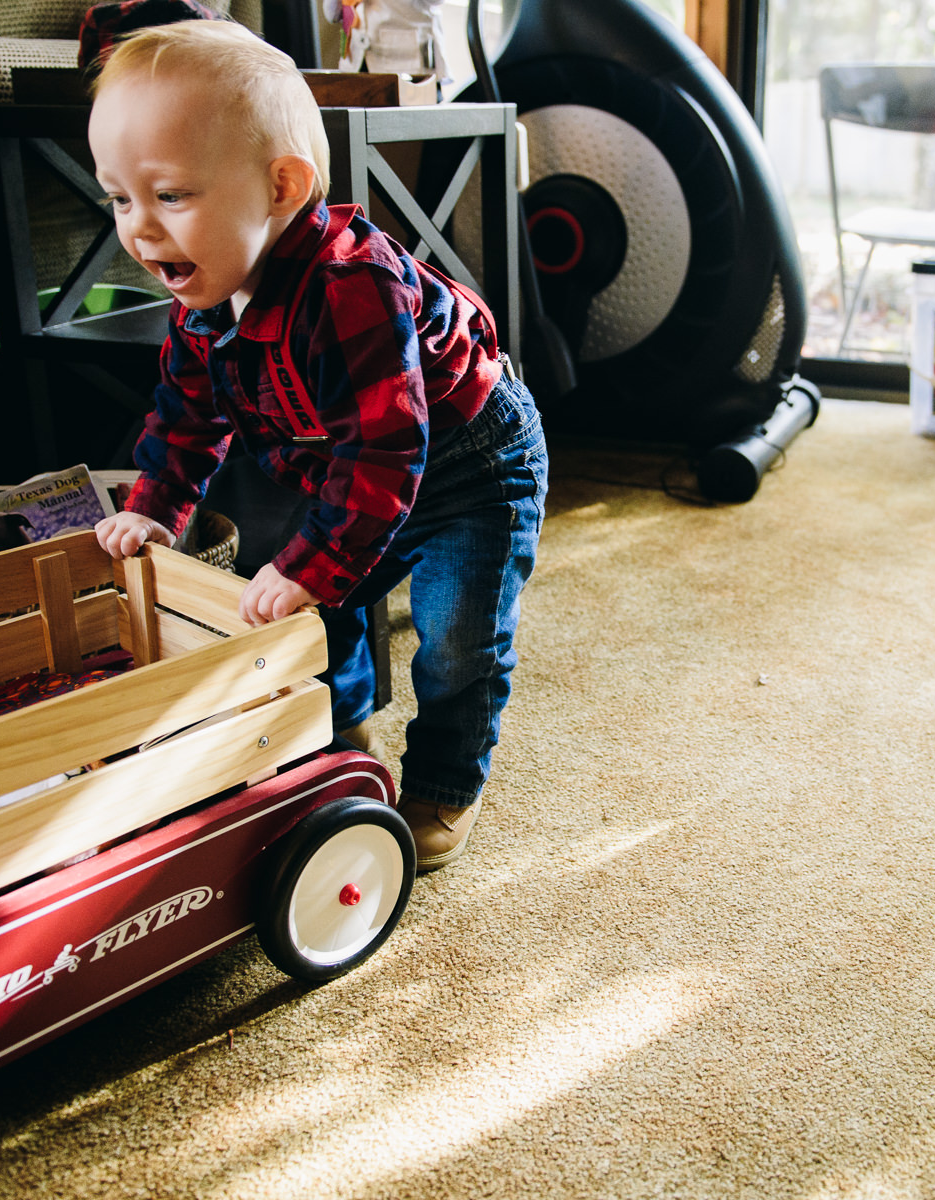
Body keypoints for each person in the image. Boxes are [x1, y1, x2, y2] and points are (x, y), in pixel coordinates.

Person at [87, 20, 546, 871]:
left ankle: (446, 780)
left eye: (171, 195)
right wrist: (154, 510)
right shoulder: (203, 300)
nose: (141, 231)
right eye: (120, 198)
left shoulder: (350, 285)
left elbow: (387, 450)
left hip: (469, 466)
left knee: (456, 639)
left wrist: (308, 561)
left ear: (281, 187)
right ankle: (339, 735)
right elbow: (186, 419)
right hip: (355, 475)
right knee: (306, 608)